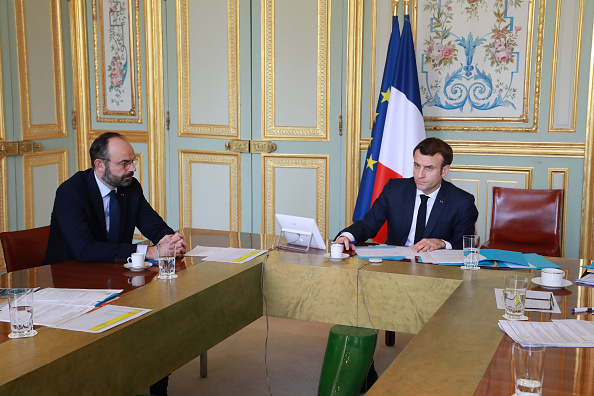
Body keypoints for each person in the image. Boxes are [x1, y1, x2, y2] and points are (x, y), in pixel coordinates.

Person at [44, 132, 186, 265]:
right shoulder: (71, 192)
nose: (132, 169)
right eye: (124, 163)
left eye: (132, 161)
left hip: (114, 272)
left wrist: (172, 242)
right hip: (70, 276)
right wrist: (149, 252)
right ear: (100, 165)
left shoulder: (130, 187)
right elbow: (85, 250)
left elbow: (154, 226)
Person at [336, 137, 478, 252]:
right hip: (396, 265)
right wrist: (347, 236)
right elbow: (368, 224)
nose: (420, 174)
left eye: (429, 168)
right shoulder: (395, 190)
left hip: (437, 271)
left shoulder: (462, 202)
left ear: (444, 170)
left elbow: (465, 247)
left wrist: (442, 243)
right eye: (417, 165)